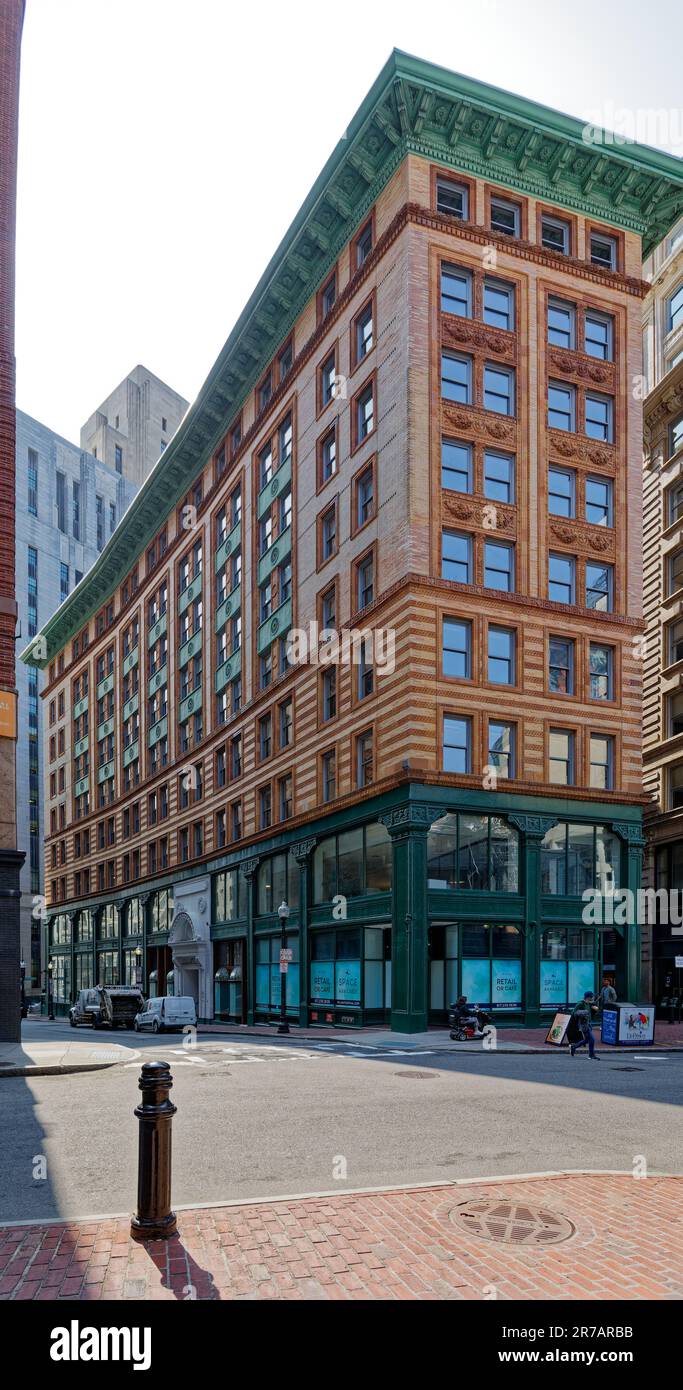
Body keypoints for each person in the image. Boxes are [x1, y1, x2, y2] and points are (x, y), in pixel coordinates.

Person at [569, 991, 599, 1059]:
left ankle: (574, 1047)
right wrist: (584, 1012)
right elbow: (574, 1012)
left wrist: (595, 1009)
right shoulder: (580, 1003)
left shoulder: (589, 1004)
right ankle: (591, 1055)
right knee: (592, 1039)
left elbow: (592, 1012)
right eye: (592, 996)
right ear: (588, 997)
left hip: (589, 1023)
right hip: (584, 1024)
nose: (593, 997)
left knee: (587, 1039)